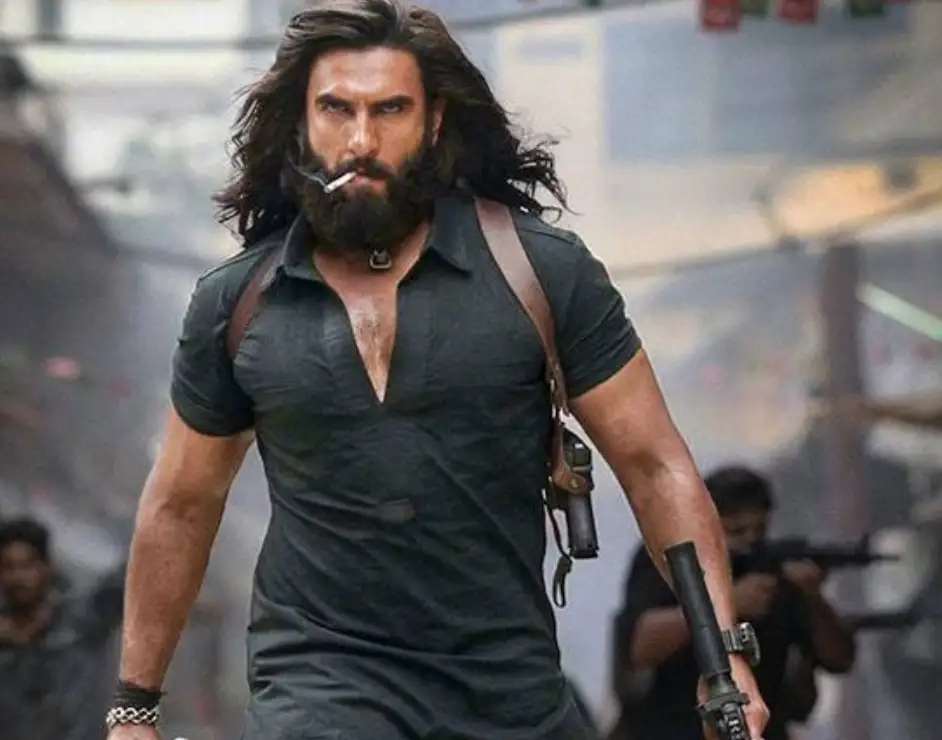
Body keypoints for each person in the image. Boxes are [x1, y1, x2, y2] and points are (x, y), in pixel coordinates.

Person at [107, 2, 768, 739]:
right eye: (336, 109)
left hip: (509, 694)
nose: (361, 139)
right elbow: (181, 504)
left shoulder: (538, 272)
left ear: (434, 122)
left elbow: (654, 466)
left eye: (390, 110)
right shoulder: (238, 303)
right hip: (319, 691)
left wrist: (725, 661)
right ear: (300, 124)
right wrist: (134, 709)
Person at [609, 466, 856, 740]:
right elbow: (642, 645)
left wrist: (812, 597)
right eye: (735, 531)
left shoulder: (774, 569)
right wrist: (722, 606)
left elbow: (839, 658)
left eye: (758, 530)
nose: (749, 542)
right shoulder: (672, 560)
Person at [0, 517, 125, 740]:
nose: (18, 577)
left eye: (27, 566)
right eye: (8, 567)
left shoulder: (83, 621)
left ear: (47, 566)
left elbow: (132, 576)